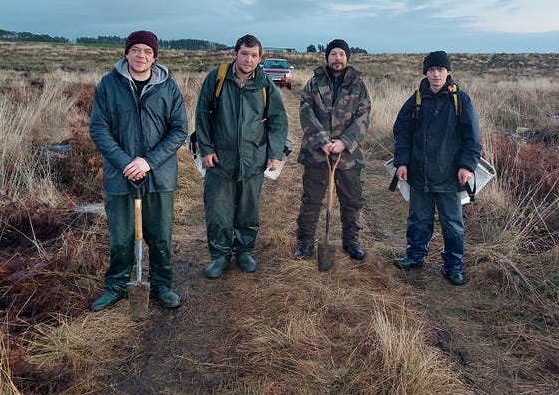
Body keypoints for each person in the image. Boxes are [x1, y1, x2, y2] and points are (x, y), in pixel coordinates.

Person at [89, 30, 188, 310]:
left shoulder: (168, 87)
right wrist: (125, 162)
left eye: (147, 51)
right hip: (120, 176)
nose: (141, 56)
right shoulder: (109, 85)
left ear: (154, 56)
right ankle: (117, 285)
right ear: (126, 53)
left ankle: (161, 285)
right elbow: (99, 127)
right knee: (120, 236)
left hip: (159, 176)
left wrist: (148, 162)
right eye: (136, 50)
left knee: (160, 236)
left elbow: (179, 129)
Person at [195, 34, 288, 278]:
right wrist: (206, 149)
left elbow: (278, 121)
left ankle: (244, 251)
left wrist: (274, 153)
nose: (248, 59)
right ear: (235, 53)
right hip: (219, 159)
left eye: (254, 55)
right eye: (244, 53)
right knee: (218, 210)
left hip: (253, 158)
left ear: (260, 58)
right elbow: (202, 115)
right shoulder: (217, 78)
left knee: (248, 209)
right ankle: (219, 256)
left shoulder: (265, 84)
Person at [391, 50, 482, 285]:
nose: (435, 74)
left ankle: (454, 266)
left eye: (440, 70)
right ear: (426, 73)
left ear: (448, 72)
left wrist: (466, 166)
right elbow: (401, 131)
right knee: (418, 219)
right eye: (431, 70)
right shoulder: (417, 99)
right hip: (419, 173)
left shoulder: (460, 100)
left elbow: (472, 139)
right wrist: (402, 161)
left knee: (452, 224)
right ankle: (415, 256)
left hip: (449, 176)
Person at [294, 39, 371, 261]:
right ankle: (305, 242)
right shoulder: (314, 83)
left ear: (347, 58)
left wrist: (345, 141)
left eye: (341, 54)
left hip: (348, 156)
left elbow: (363, 116)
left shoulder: (358, 85)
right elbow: (305, 113)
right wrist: (323, 141)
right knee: (312, 200)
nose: (338, 58)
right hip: (317, 154)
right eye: (334, 54)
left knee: (351, 201)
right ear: (327, 57)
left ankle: (351, 242)